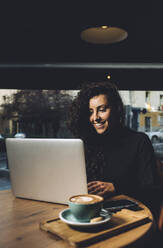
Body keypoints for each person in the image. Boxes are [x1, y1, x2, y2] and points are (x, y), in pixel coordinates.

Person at [67, 81, 162, 228]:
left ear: (116, 109)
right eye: (90, 112)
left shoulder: (139, 141)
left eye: (102, 109)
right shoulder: (86, 144)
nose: (95, 117)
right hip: (90, 216)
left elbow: (151, 190)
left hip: (128, 218)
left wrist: (116, 187)